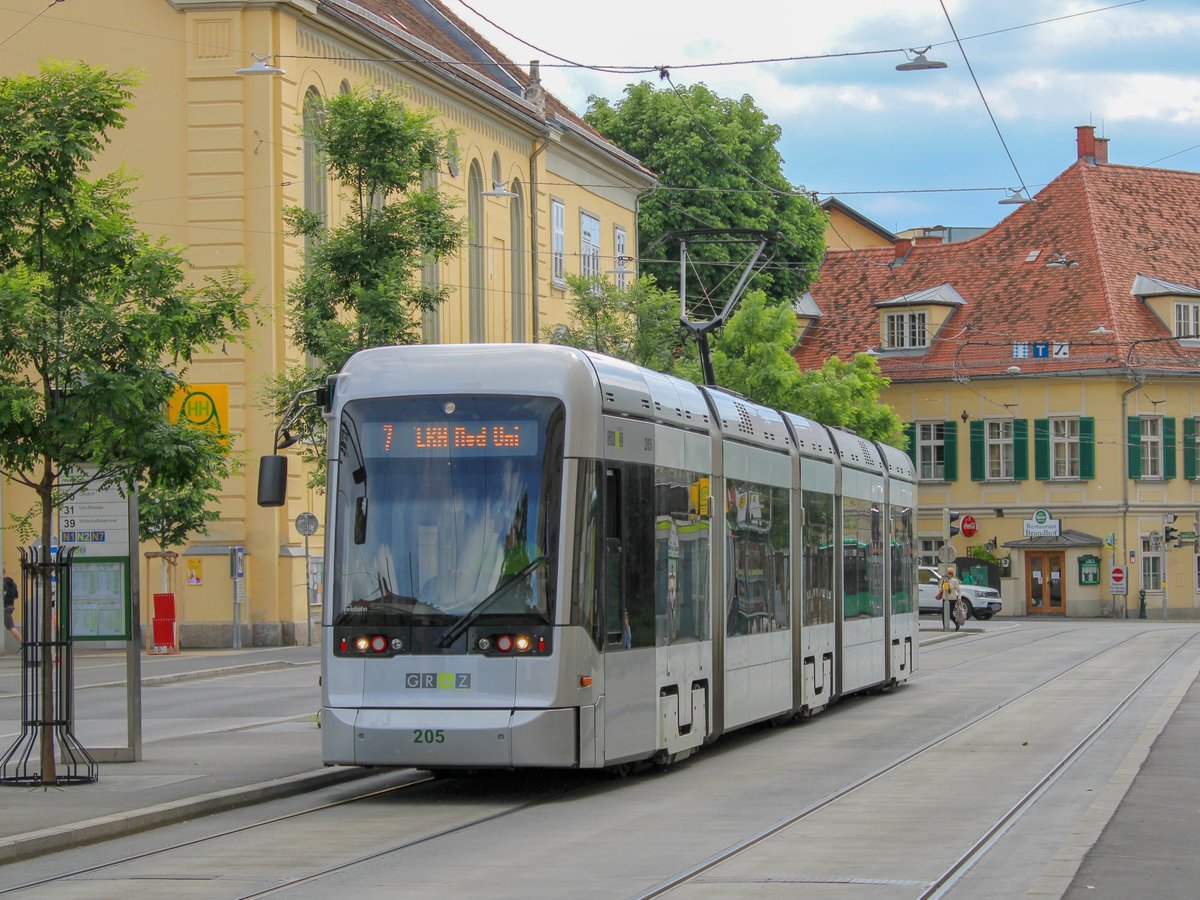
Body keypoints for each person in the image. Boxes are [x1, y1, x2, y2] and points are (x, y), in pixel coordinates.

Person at [3, 568, 21, 646]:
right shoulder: (9, 582)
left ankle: (23, 644)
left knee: (11, 627)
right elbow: (16, 596)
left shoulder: (3, 583)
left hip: (4, 608)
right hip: (10, 606)